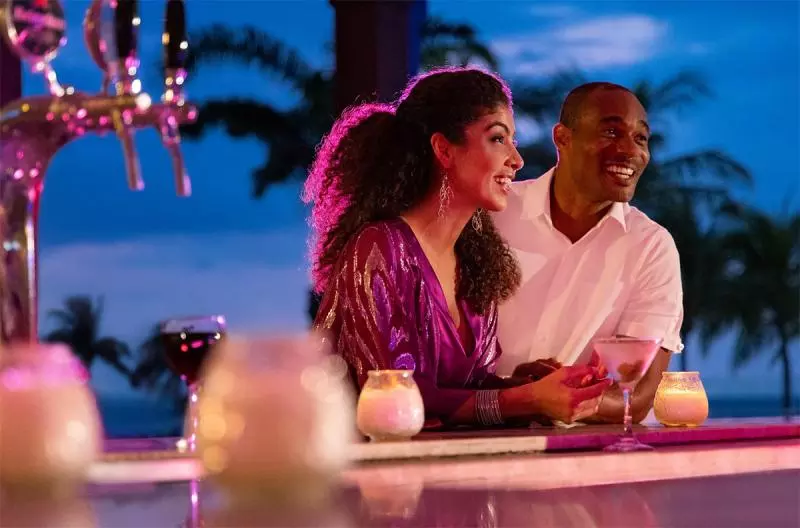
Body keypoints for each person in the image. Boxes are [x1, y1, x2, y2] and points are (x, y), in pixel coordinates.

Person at [303, 67, 611, 428]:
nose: (517, 159)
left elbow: (462, 392)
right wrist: (525, 399)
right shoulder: (379, 250)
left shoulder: (476, 260)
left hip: (448, 471)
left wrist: (528, 387)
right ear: (444, 150)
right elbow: (395, 397)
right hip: (367, 477)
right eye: (498, 139)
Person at [493, 82, 684, 424]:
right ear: (562, 139)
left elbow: (636, 396)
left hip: (581, 459)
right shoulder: (496, 213)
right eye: (611, 132)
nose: (630, 150)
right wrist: (524, 396)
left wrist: (547, 398)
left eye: (641, 138)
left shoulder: (651, 247)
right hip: (471, 439)